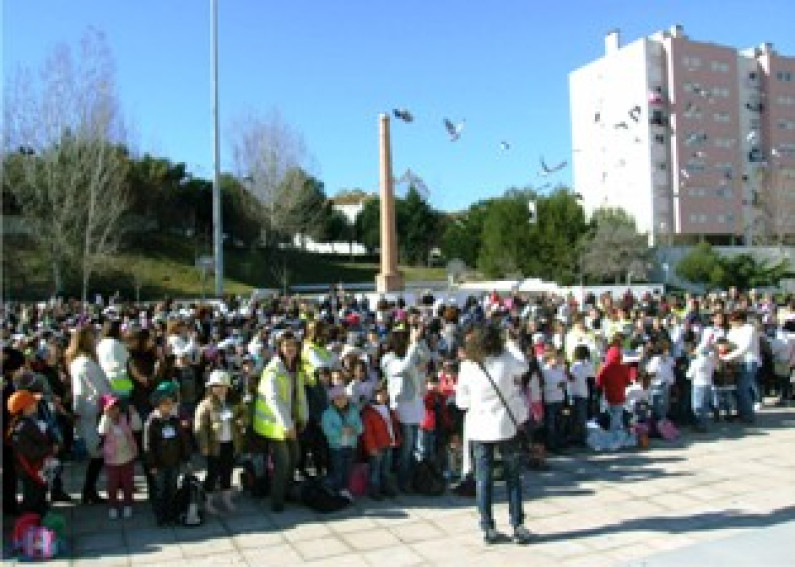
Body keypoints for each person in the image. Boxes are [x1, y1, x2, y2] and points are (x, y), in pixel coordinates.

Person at [456, 323, 533, 545]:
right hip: (505, 425)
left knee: (484, 479)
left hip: (480, 427)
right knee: (513, 477)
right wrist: (512, 343)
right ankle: (517, 525)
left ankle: (487, 527)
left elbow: (462, 402)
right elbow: (524, 366)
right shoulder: (507, 359)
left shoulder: (468, 366)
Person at [252, 331, 308, 513]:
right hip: (276, 424)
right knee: (283, 462)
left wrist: (303, 417)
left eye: (293, 345)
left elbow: (300, 395)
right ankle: (277, 500)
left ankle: (287, 490)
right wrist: (287, 425)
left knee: (296, 457)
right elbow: (273, 399)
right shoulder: (273, 370)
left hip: (291, 420)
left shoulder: (296, 368)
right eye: (286, 345)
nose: (290, 348)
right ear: (280, 348)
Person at [67, 325, 112, 505]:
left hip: (86, 409)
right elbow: (102, 389)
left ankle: (89, 490)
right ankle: (89, 490)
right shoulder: (86, 363)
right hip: (93, 410)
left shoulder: (76, 361)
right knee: (98, 453)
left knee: (97, 454)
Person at [381, 326, 429, 493]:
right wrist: (414, 345)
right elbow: (403, 367)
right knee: (406, 448)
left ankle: (414, 478)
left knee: (417, 446)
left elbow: (426, 358)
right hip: (402, 406)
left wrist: (420, 341)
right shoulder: (388, 358)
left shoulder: (410, 352)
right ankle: (403, 481)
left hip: (415, 403)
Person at [194, 369, 246, 514]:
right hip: (213, 447)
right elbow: (200, 427)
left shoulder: (235, 401)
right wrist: (204, 446)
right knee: (212, 473)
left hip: (231, 443)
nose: (220, 389)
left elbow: (244, 414)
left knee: (227, 471)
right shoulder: (205, 405)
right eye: (216, 386)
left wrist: (242, 421)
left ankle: (226, 498)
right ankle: (207, 501)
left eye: (222, 385)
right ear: (210, 387)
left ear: (228, 387)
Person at [143, 388, 191, 527]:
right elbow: (148, 446)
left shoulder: (175, 420)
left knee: (172, 489)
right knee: (159, 490)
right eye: (166, 404)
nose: (169, 406)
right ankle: (160, 516)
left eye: (171, 404)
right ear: (158, 405)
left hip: (174, 462)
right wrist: (151, 464)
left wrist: (186, 458)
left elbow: (183, 440)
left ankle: (171, 514)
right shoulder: (152, 423)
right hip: (159, 464)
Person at [7, 390, 58, 516]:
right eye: (33, 403)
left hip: (32, 469)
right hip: (31, 470)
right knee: (32, 500)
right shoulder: (24, 426)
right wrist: (50, 449)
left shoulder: (24, 424)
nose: (36, 404)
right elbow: (29, 451)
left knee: (39, 496)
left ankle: (38, 523)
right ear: (25, 408)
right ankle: (29, 527)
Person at [98, 393, 141, 520]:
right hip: (112, 460)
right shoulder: (105, 420)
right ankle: (113, 506)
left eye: (115, 407)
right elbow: (102, 431)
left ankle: (128, 504)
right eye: (110, 408)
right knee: (112, 484)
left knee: (128, 483)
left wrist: (133, 413)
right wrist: (106, 416)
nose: (114, 410)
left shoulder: (124, 418)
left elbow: (137, 427)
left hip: (127, 456)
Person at [320, 385, 363, 501]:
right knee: (338, 469)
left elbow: (360, 427)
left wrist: (354, 430)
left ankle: (344, 489)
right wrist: (340, 431)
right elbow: (327, 430)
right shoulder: (327, 414)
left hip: (351, 446)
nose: (341, 400)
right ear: (332, 400)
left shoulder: (353, 411)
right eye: (337, 398)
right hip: (337, 447)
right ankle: (337, 489)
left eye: (343, 397)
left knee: (348, 469)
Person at [360, 380, 401, 500]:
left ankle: (385, 488)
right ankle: (374, 490)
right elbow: (367, 433)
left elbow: (393, 426)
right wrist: (371, 448)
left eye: (385, 394)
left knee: (386, 469)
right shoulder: (369, 412)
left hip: (389, 443)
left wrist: (396, 439)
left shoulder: (388, 408)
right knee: (375, 470)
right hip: (377, 446)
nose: (383, 396)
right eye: (380, 394)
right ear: (375, 395)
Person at [720, 311, 761, 424]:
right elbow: (727, 343)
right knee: (736, 390)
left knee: (743, 389)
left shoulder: (749, 329)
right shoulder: (733, 330)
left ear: (741, 320)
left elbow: (745, 347)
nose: (731, 324)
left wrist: (727, 357)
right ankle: (741, 412)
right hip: (736, 363)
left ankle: (749, 416)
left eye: (733, 321)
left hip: (749, 362)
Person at [596, 343, 632, 432]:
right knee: (617, 416)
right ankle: (616, 434)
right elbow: (628, 382)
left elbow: (599, 382)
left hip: (608, 396)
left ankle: (610, 434)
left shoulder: (605, 368)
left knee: (609, 415)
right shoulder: (624, 368)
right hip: (620, 396)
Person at [96, 320, 133, 400]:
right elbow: (127, 360)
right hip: (120, 378)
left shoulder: (100, 344)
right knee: (125, 401)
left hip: (106, 379)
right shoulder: (117, 344)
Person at [568, 344, 594, 446]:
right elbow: (591, 376)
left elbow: (571, 379)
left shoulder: (575, 365)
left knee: (575, 418)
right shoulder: (587, 365)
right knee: (581, 418)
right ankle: (582, 438)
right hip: (583, 393)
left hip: (574, 393)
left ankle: (577, 438)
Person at [686, 346, 715, 432]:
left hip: (698, 385)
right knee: (705, 406)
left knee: (697, 407)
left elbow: (689, 375)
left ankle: (700, 426)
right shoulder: (710, 361)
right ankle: (704, 425)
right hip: (708, 384)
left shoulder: (696, 362)